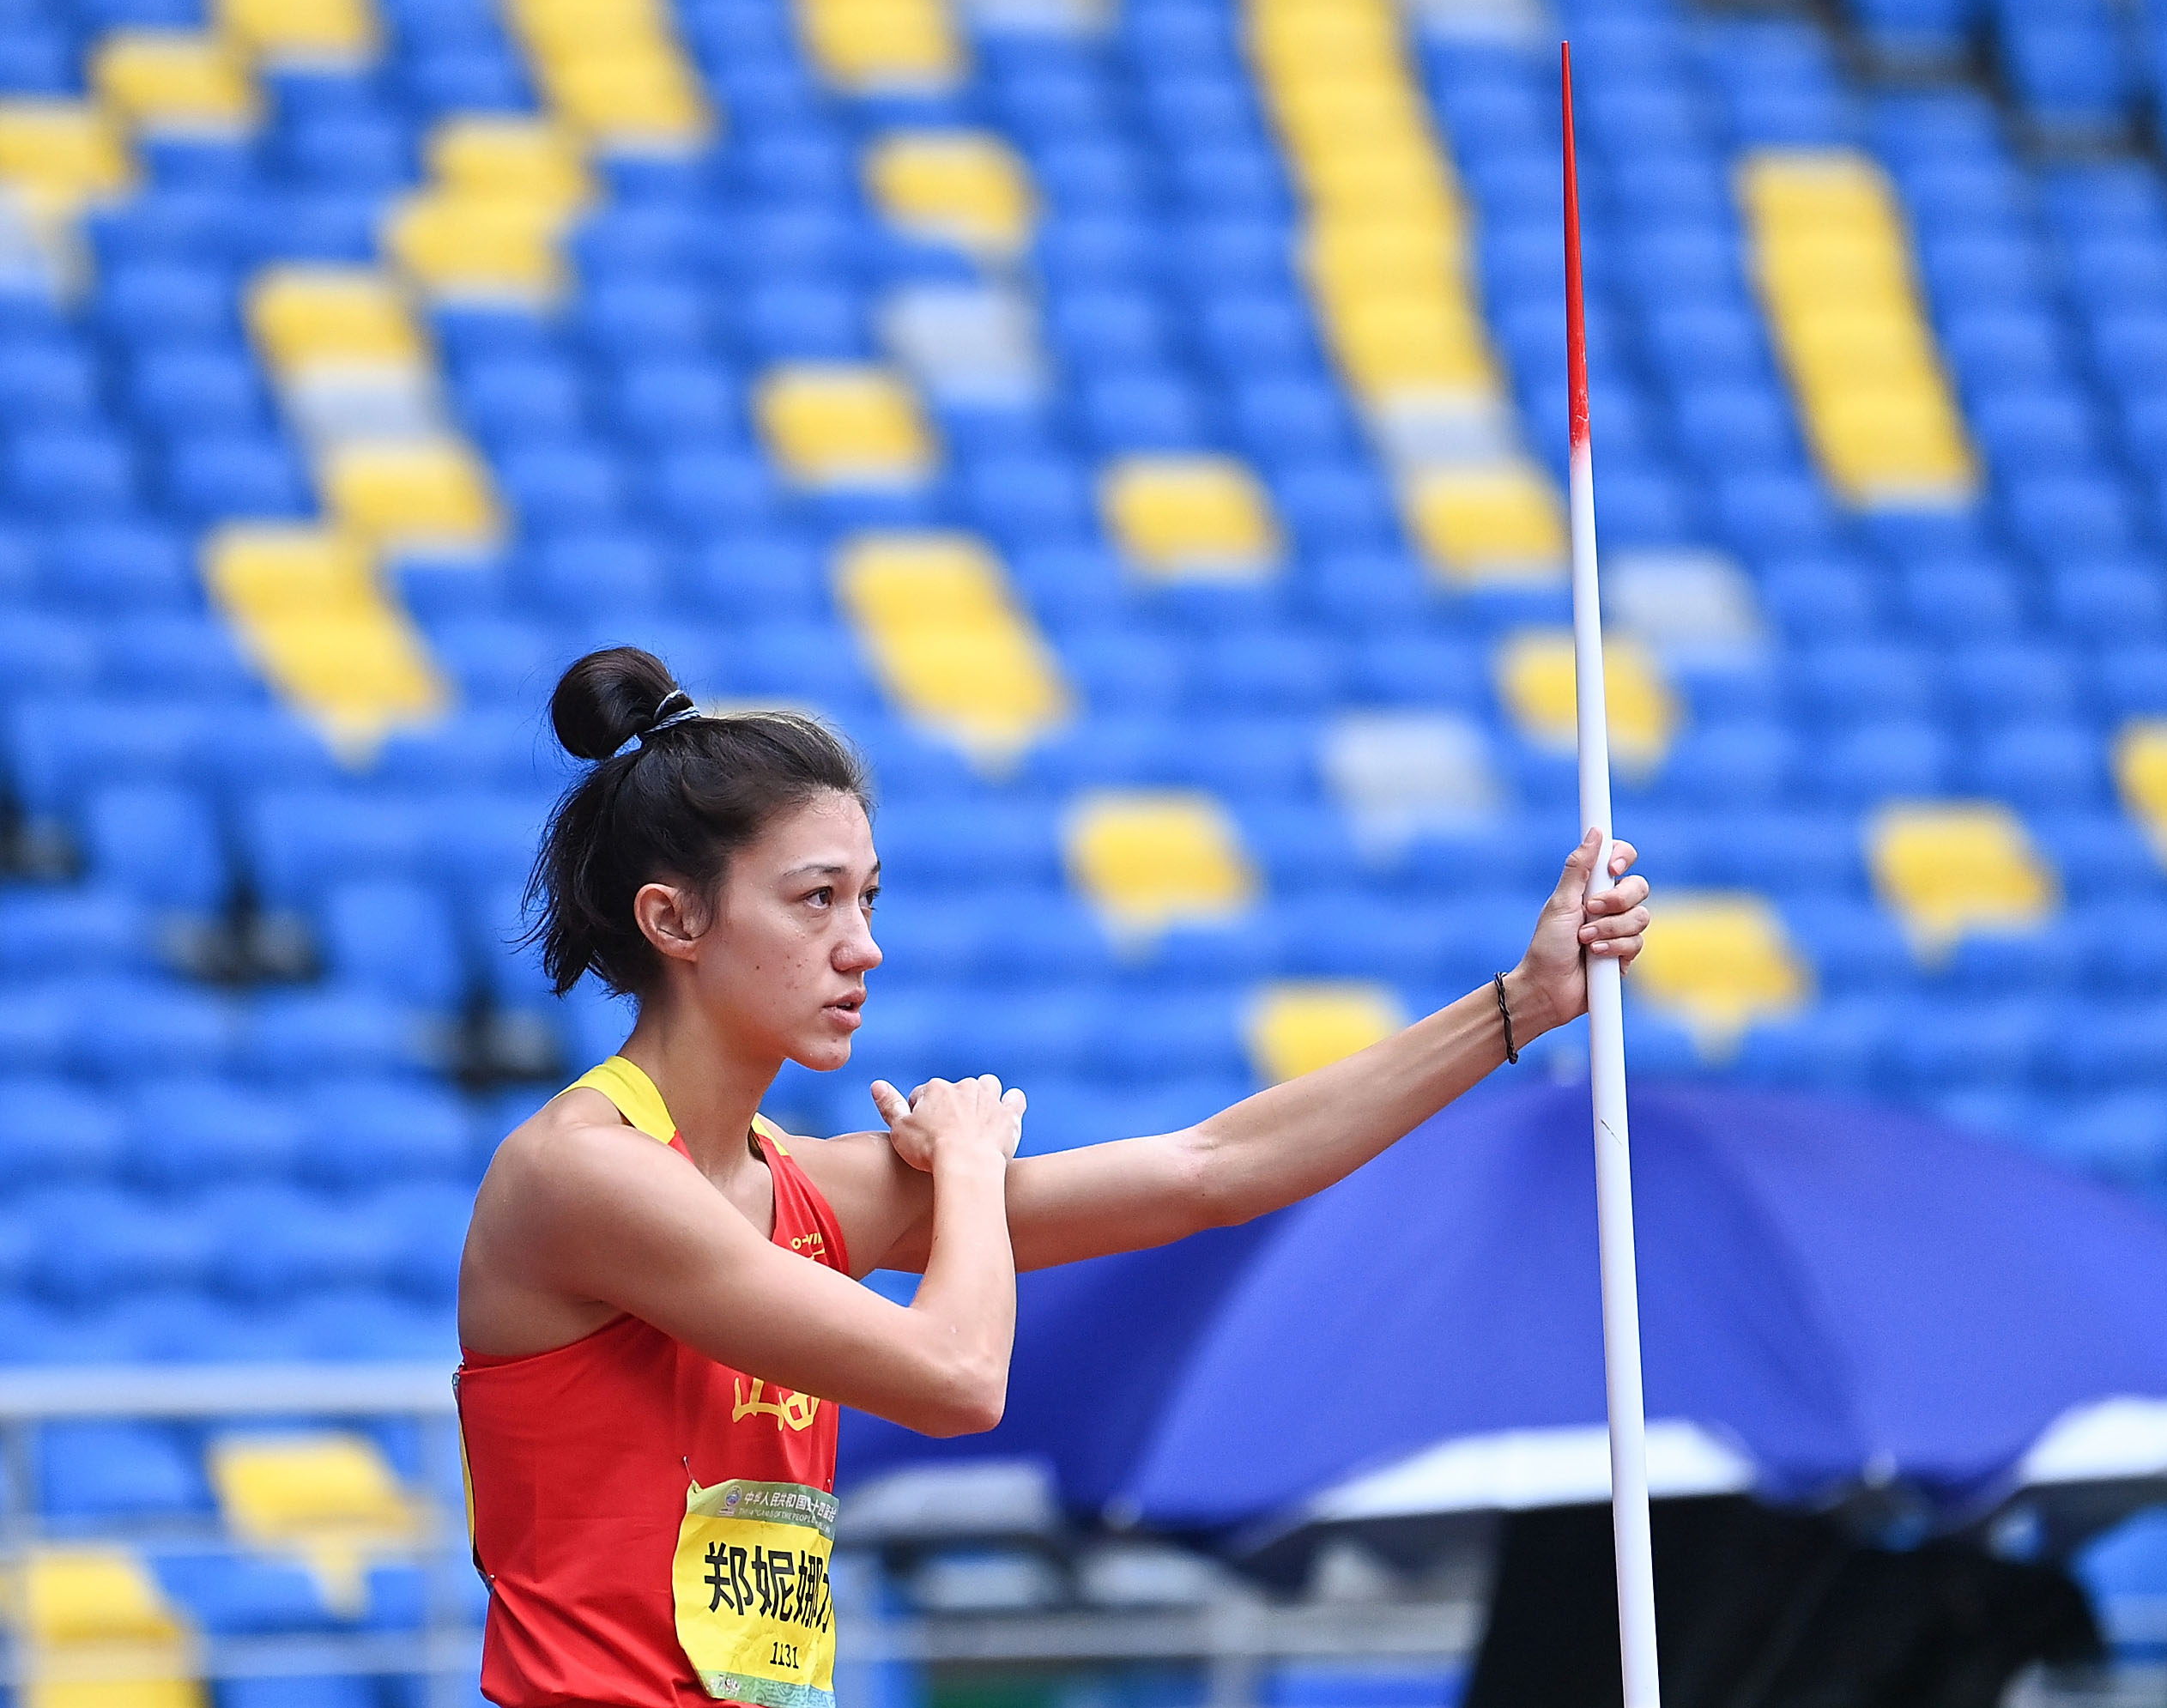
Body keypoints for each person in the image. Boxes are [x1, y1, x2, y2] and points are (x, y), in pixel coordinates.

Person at [455, 645, 1652, 1708]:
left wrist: (1520, 1005)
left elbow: (1211, 1170)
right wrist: (971, 1172)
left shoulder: (803, 1187)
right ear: (674, 921)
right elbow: (957, 1378)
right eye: (816, 899)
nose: (864, 944)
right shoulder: (585, 1175)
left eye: (868, 897)